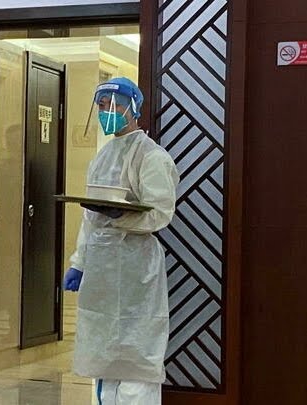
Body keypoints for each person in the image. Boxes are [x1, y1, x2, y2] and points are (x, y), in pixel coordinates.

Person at [63, 77, 179, 404]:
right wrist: (79, 262)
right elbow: (90, 218)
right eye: (101, 106)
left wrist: (121, 217)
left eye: (112, 106)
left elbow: (160, 213)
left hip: (135, 264)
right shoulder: (102, 157)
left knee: (136, 350)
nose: (106, 112)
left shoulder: (151, 156)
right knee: (105, 350)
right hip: (102, 263)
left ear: (133, 109)